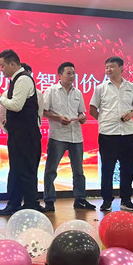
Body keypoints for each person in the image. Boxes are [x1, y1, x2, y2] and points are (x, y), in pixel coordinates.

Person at [0, 50, 44, 215]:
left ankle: (30, 205)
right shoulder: (16, 80)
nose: (1, 70)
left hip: (26, 135)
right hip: (18, 134)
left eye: (2, 66)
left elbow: (16, 105)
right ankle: (14, 204)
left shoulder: (23, 79)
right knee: (16, 170)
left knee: (26, 170)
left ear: (13, 64)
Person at [89, 57, 133, 212]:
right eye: (106, 67)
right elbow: (92, 109)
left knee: (127, 169)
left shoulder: (131, 87)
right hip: (108, 134)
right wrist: (104, 120)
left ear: (121, 68)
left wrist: (131, 114)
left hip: (128, 133)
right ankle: (107, 200)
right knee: (107, 169)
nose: (108, 70)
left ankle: (126, 200)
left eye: (112, 66)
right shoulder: (100, 88)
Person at [42, 62, 96, 211]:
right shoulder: (51, 91)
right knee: (51, 170)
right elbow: (44, 111)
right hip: (58, 136)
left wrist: (82, 117)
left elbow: (81, 112)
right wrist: (58, 118)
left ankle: (80, 199)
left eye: (73, 73)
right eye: (69, 73)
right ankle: (49, 201)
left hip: (76, 136)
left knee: (79, 171)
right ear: (60, 75)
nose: (72, 76)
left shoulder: (77, 92)